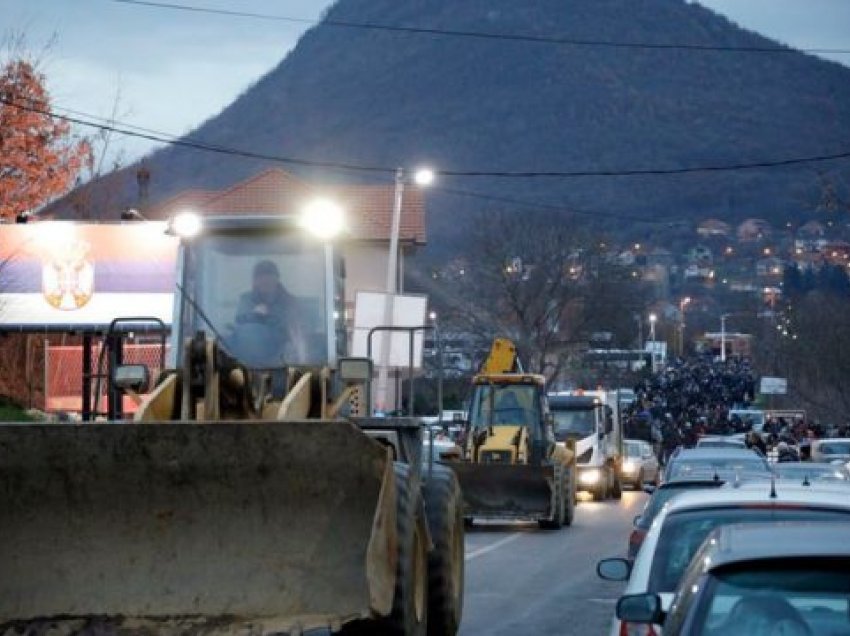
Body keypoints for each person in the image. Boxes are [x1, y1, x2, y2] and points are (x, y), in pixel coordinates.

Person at [230, 260, 302, 367]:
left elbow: (294, 329)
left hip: (281, 355)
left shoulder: (290, 302)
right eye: (260, 277)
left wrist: (270, 317)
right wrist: (254, 315)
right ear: (255, 281)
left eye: (269, 277)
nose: (265, 281)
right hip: (248, 356)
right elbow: (239, 326)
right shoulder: (246, 300)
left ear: (276, 279)